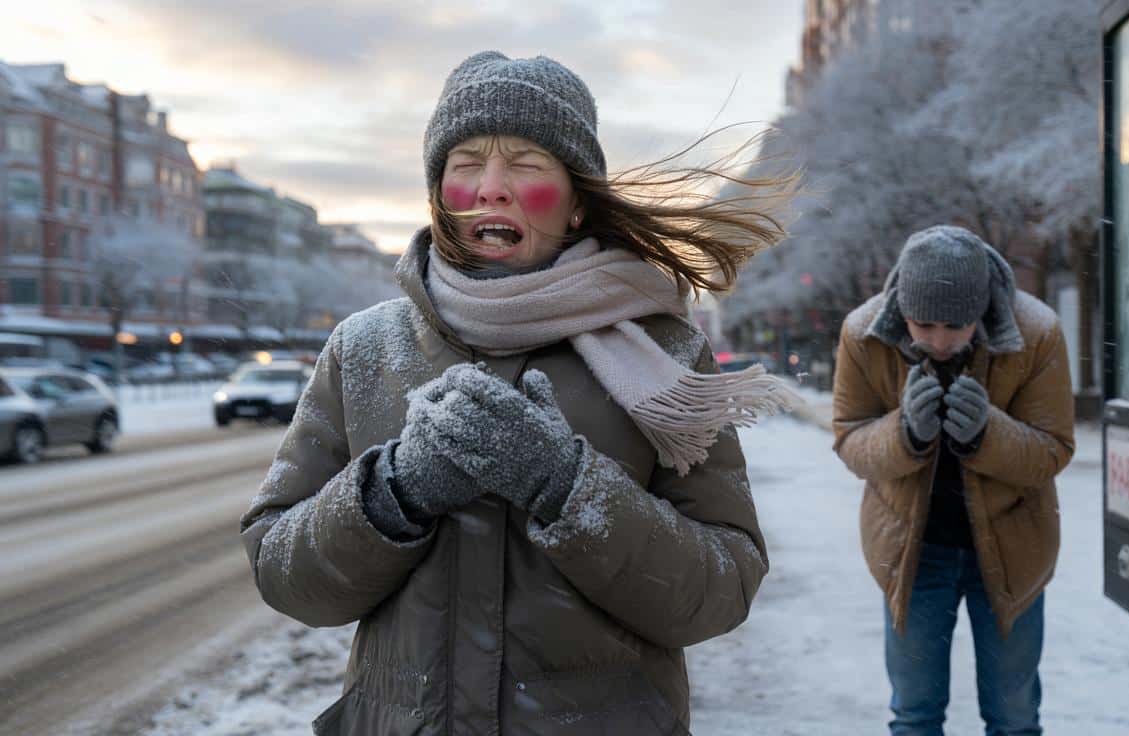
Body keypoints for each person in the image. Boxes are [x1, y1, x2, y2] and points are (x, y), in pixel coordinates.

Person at [238, 50, 801, 735]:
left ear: (575, 205)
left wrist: (565, 484)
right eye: (467, 161)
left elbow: (719, 589)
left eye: (527, 163)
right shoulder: (362, 349)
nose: (491, 186)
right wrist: (394, 492)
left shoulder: (666, 355)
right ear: (438, 190)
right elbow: (284, 574)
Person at [830, 225, 1075, 735]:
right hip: (912, 553)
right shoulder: (862, 334)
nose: (939, 341)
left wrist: (986, 433)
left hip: (1014, 551)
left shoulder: (1037, 334)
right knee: (914, 714)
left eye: (957, 325)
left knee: (1014, 717)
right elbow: (850, 441)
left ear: (983, 310)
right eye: (923, 325)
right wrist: (905, 434)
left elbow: (1053, 449)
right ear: (902, 308)